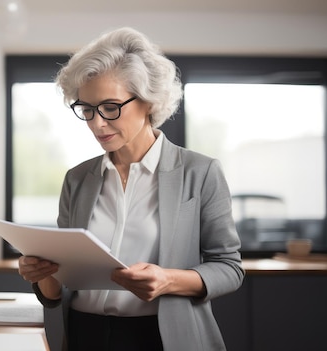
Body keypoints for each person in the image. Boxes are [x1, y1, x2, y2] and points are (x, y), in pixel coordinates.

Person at [17, 27, 245, 351]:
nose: (97, 123)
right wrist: (41, 273)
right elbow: (58, 290)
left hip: (162, 338)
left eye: (110, 107)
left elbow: (229, 268)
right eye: (87, 109)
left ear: (149, 102)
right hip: (85, 336)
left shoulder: (201, 172)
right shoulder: (77, 179)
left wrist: (168, 280)